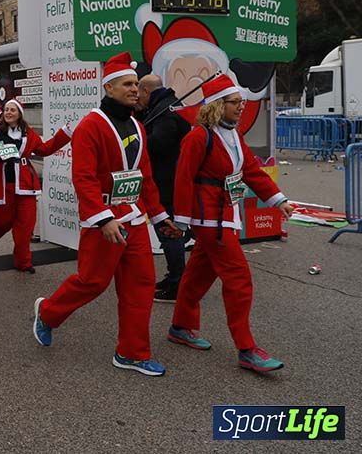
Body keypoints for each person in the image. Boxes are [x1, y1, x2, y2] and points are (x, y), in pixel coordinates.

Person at [33, 52, 181, 377]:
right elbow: (83, 178)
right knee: (92, 282)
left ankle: (131, 352)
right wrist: (102, 218)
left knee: (140, 285)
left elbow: (145, 177)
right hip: (105, 221)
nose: (134, 90)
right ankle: (47, 313)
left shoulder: (138, 127)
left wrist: (159, 216)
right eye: (127, 84)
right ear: (109, 87)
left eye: (136, 85)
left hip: (134, 218)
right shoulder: (91, 126)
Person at [167, 74, 294, 373]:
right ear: (217, 105)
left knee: (199, 273)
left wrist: (278, 200)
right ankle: (247, 348)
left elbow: (250, 170)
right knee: (239, 280)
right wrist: (182, 222)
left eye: (241, 102)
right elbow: (183, 179)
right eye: (235, 102)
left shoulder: (234, 135)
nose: (241, 107)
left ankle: (180, 326)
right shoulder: (198, 137)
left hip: (225, 214)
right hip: (210, 219)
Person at [0, 99, 73, 271]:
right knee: (2, 221)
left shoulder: (28, 133)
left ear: (19, 113)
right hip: (3, 185)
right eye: (6, 109)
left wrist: (64, 133)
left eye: (12, 110)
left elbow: (44, 149)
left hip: (26, 186)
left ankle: (23, 262)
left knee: (26, 225)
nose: (8, 112)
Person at [136, 74, 192, 303]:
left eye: (138, 92)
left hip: (168, 182)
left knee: (169, 233)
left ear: (147, 91)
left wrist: (137, 138)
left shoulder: (167, 111)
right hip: (169, 179)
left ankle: (178, 283)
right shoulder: (164, 107)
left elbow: (158, 143)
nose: (137, 97)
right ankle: (174, 277)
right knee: (168, 231)